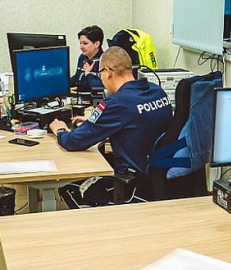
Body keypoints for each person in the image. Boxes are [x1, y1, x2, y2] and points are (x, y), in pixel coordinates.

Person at [48, 46, 173, 206]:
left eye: (100, 74)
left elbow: (73, 142)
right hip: (156, 176)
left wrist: (59, 130)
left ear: (108, 72)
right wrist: (96, 121)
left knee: (68, 188)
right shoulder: (158, 92)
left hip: (131, 185)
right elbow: (137, 122)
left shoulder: (116, 103)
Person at [69, 25, 104, 93]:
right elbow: (77, 77)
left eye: (85, 43)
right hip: (80, 97)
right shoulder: (82, 58)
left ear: (96, 44)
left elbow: (98, 87)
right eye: (80, 43)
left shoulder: (105, 61)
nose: (81, 47)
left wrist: (88, 74)